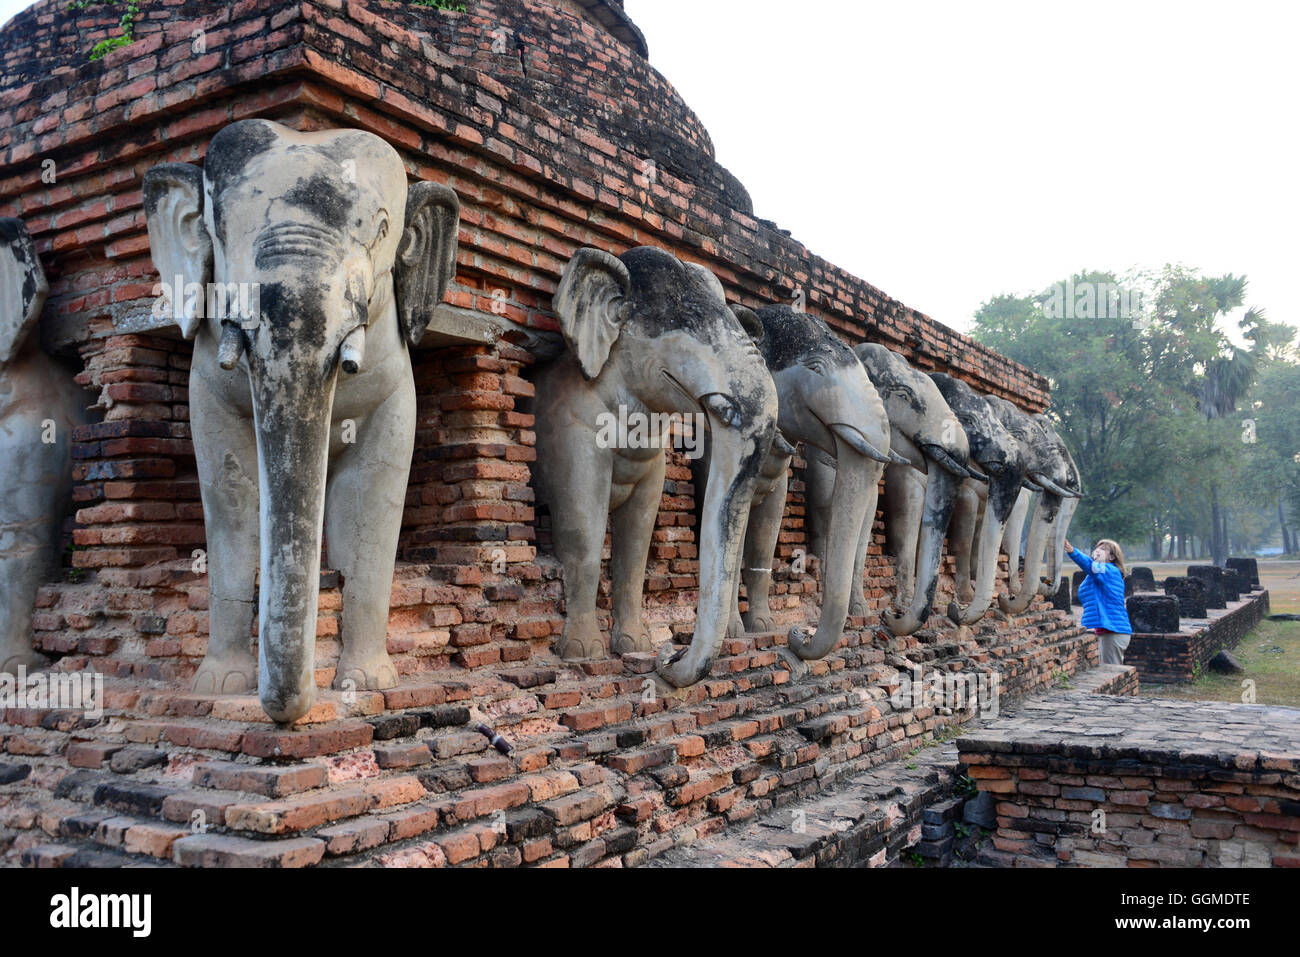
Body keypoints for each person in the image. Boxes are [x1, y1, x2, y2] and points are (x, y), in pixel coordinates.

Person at [1065, 537, 1132, 665]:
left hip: (1114, 631)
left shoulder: (1109, 570)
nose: (1097, 551)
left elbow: (1090, 566)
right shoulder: (1097, 573)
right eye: (1097, 548)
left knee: (1110, 673)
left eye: (1103, 549)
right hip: (1107, 631)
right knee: (1108, 671)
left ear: (1112, 557)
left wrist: (1073, 551)